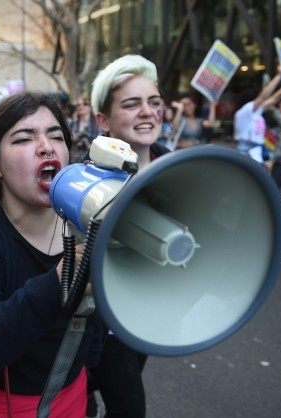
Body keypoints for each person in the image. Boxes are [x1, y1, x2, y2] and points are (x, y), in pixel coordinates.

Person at [0, 92, 92, 417]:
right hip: (2, 407)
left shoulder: (87, 219)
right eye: (24, 138)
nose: (46, 146)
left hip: (70, 396)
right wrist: (60, 280)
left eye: (56, 136)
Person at [89, 54, 172, 417]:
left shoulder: (181, 169)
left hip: (148, 307)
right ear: (103, 121)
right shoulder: (85, 177)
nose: (147, 112)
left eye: (154, 103)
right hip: (102, 320)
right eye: (132, 104)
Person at [233, 73, 281, 164]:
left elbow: (274, 99)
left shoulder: (256, 112)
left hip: (256, 152)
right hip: (247, 152)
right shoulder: (245, 111)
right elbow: (263, 97)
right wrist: (279, 75)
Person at [68, 95, 100, 163]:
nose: (81, 106)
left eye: (85, 104)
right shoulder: (71, 122)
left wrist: (88, 144)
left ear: (90, 107)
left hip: (90, 161)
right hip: (73, 160)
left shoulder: (98, 124)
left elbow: (101, 144)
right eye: (79, 104)